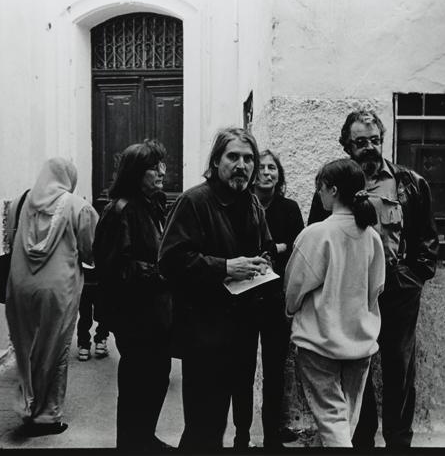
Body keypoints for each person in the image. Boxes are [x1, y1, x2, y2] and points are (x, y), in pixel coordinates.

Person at [308, 109, 439, 449]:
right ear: (346, 145)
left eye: (375, 140)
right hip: (350, 292)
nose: (369, 147)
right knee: (356, 368)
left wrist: (413, 277)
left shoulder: (410, 183)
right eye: (360, 142)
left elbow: (427, 240)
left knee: (399, 368)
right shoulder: (333, 186)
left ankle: (398, 441)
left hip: (398, 290)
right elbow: (317, 236)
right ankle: (361, 439)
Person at [159, 127, 275, 450]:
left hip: (243, 329)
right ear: (216, 160)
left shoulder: (252, 204)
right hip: (205, 332)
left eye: (249, 158)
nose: (242, 165)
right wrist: (225, 267)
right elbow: (169, 261)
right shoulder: (194, 201)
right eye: (233, 157)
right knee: (204, 424)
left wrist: (264, 261)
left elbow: (264, 246)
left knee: (232, 418)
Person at [285, 158, 384, 447]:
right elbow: (376, 289)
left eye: (321, 188)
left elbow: (294, 289)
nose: (319, 194)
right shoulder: (372, 237)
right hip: (361, 343)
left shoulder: (316, 234)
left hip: (320, 345)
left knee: (332, 423)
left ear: (333, 190)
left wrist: (291, 311)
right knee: (343, 423)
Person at [5, 157, 98, 436]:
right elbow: (89, 249)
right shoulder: (78, 206)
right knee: (54, 349)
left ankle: (26, 404)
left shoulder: (20, 201)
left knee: (25, 348)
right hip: (58, 288)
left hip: (20, 284)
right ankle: (47, 415)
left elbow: (11, 237)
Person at [93, 140, 173, 450]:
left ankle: (143, 437)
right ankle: (131, 443)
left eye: (161, 165)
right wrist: (162, 272)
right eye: (154, 167)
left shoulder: (152, 205)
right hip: (136, 317)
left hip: (156, 314)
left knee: (157, 378)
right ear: (136, 172)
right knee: (138, 383)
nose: (162, 172)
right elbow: (115, 269)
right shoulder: (121, 210)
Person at [229, 150, 304, 448]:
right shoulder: (239, 205)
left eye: (272, 167)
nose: (266, 173)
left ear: (279, 174)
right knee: (242, 371)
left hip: (276, 299)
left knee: (275, 372)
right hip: (244, 298)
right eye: (261, 167)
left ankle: (272, 434)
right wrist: (276, 248)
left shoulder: (289, 208)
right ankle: (241, 435)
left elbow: (299, 247)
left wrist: (276, 250)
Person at [75, 265, 110, 361]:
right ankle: (101, 341)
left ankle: (84, 346)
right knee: (103, 311)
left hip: (84, 278)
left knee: (84, 314)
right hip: (101, 278)